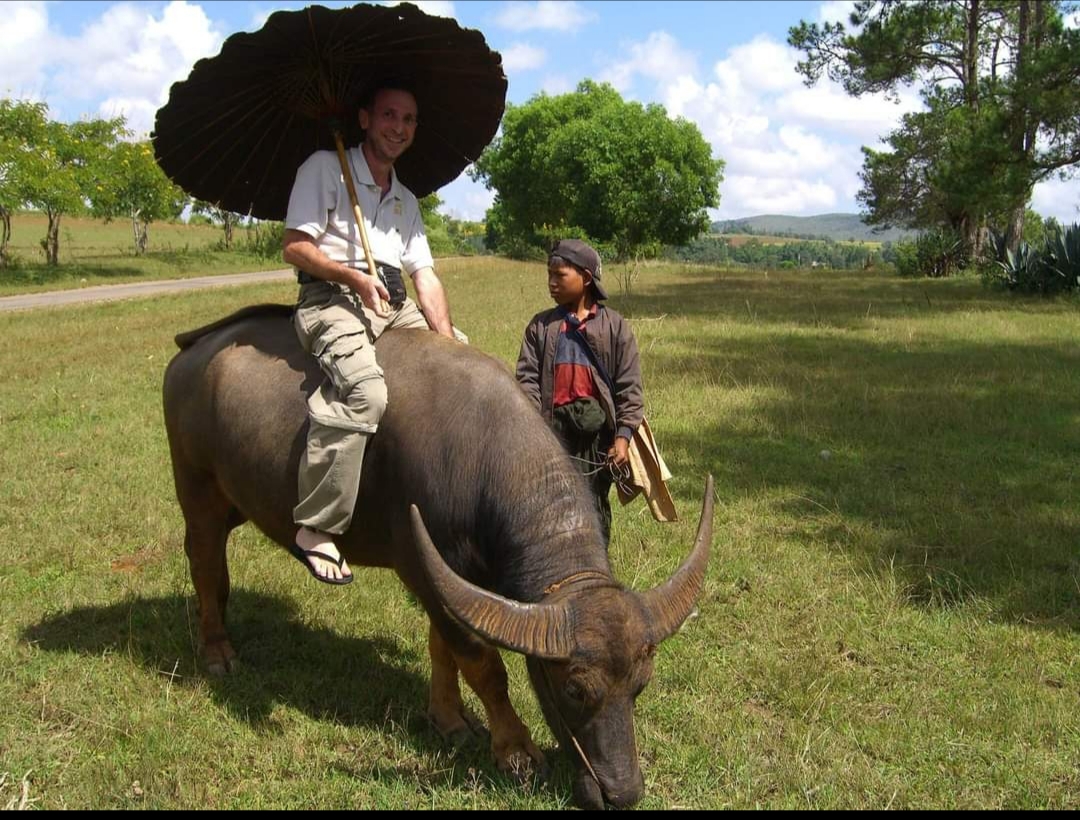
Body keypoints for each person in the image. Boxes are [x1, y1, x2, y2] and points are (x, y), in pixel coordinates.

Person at [282, 84, 456, 585]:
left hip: (389, 304)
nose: (398, 127)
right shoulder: (324, 168)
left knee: (461, 360)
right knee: (365, 391)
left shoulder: (405, 199)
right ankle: (315, 526)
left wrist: (445, 340)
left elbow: (425, 275)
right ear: (364, 119)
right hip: (329, 300)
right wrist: (353, 276)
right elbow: (294, 247)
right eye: (388, 115)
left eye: (408, 118)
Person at [515, 239, 644, 545]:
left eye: (560, 275)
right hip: (552, 436)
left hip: (597, 441)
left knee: (594, 509)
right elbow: (527, 381)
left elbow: (629, 388)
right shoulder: (541, 327)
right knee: (550, 510)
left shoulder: (614, 327)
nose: (551, 283)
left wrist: (622, 438)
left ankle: (596, 576)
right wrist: (536, 433)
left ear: (586, 278)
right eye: (549, 275)